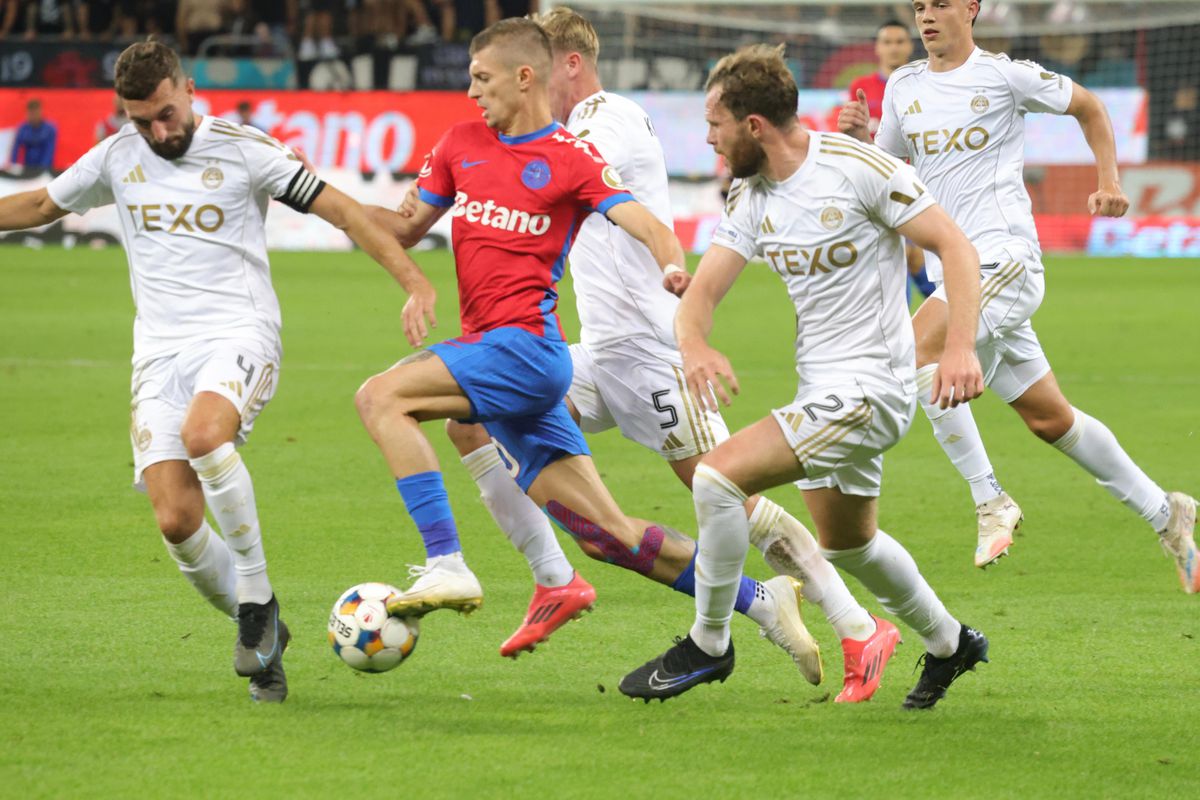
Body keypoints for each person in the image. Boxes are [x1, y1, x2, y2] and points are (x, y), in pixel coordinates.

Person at [404, 5, 887, 698]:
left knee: (722, 490)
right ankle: (553, 579)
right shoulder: (543, 134)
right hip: (599, 353)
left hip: (653, 354)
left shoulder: (607, 120)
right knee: (470, 419)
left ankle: (853, 622)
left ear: (562, 65)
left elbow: (592, 184)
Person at [0, 41, 437, 702]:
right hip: (158, 352)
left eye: (166, 114)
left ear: (189, 88)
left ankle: (255, 602)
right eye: (142, 119)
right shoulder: (120, 155)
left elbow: (344, 213)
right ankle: (266, 637)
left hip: (240, 332)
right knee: (175, 519)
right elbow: (38, 207)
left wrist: (414, 282)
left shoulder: (243, 148)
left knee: (207, 435)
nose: (158, 131)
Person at [620, 43, 991, 711]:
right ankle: (950, 643)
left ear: (753, 126)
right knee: (848, 545)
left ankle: (708, 643)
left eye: (715, 124)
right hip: (821, 391)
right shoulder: (754, 198)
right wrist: (696, 343)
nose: (708, 138)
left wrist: (958, 346)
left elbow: (957, 248)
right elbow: (700, 294)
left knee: (716, 476)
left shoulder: (858, 169)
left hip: (873, 389)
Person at [838, 0, 1198, 584]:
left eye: (940, 4)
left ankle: (990, 500)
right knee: (1049, 418)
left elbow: (1090, 106)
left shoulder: (1004, 75)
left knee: (914, 355)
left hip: (1004, 260)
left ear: (971, 9)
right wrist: (859, 143)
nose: (926, 16)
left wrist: (1109, 179)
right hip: (951, 274)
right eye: (919, 6)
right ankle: (1167, 512)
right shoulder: (903, 87)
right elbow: (890, 170)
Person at [848, 19, 934, 301]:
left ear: (910, 45)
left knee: (919, 266)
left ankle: (960, 329)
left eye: (899, 41)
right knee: (901, 268)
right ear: (877, 48)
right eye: (887, 42)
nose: (893, 48)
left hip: (919, 188)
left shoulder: (926, 85)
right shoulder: (860, 87)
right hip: (876, 190)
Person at [9, 99, 57, 173]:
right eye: (31, 114)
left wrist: (42, 170)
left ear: (40, 112)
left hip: (45, 168)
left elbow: (49, 152)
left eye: (35, 113)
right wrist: (13, 166)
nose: (33, 116)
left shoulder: (50, 129)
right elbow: (15, 149)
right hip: (27, 167)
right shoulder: (22, 129)